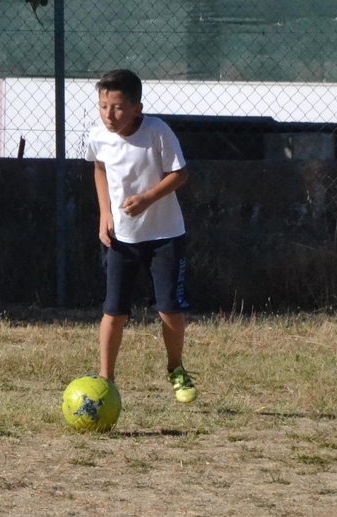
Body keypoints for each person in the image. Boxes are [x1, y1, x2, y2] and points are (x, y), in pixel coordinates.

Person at [85, 69, 197, 403]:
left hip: (165, 237)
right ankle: (106, 380)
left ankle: (176, 368)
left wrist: (148, 198)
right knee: (114, 311)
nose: (109, 115)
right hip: (121, 240)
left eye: (118, 107)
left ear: (137, 109)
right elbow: (99, 168)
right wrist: (105, 212)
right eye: (103, 106)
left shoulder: (157, 132)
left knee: (169, 309)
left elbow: (180, 174)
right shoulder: (98, 136)